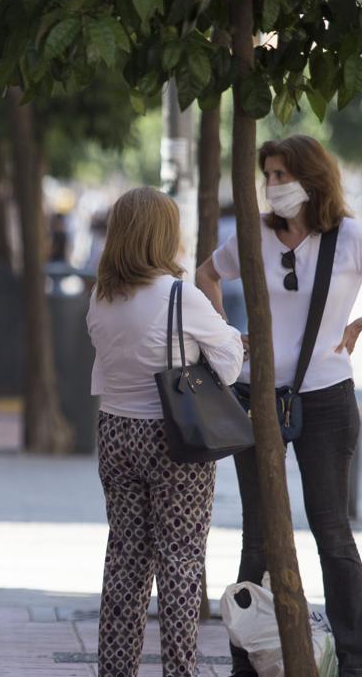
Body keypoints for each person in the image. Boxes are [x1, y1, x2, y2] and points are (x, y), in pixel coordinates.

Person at [196, 135, 362, 677]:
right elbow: (206, 275)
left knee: (331, 531)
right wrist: (225, 334)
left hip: (327, 398)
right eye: (267, 176)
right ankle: (249, 660)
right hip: (255, 396)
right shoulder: (252, 235)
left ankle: (357, 664)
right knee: (258, 536)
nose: (273, 187)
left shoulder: (352, 238)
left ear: (311, 178)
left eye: (283, 175)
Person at [86, 187, 244, 677]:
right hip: (174, 438)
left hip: (115, 431)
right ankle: (179, 670)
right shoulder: (180, 294)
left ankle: (116, 670)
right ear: (163, 234)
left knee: (126, 559)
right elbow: (232, 365)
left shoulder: (103, 295)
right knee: (180, 561)